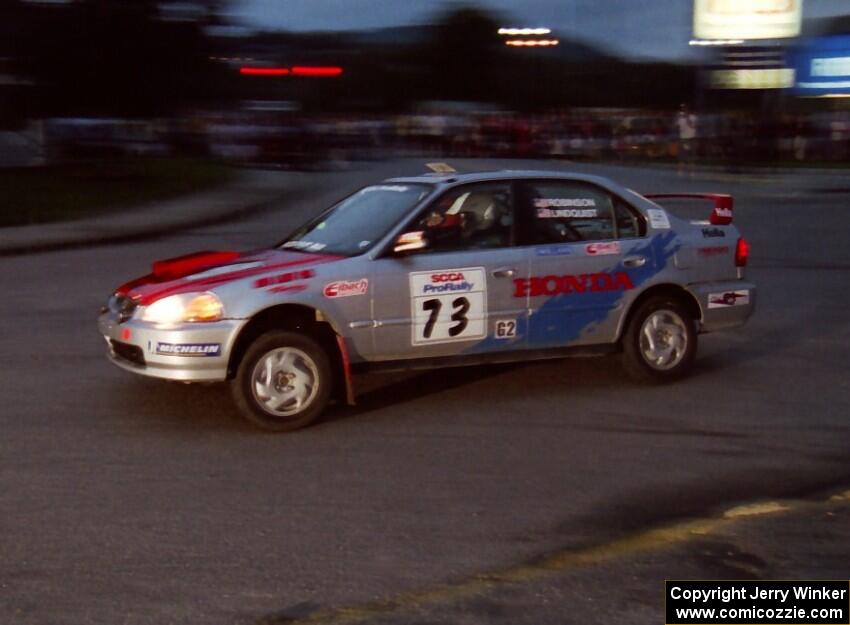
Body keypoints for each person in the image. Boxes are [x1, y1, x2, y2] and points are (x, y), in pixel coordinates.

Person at [676, 104, 698, 176]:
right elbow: (677, 126)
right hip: (683, 138)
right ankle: (680, 171)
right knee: (682, 155)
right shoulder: (680, 118)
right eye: (683, 109)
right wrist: (678, 118)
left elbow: (692, 125)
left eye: (685, 109)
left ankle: (692, 172)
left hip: (691, 138)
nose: (684, 110)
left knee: (691, 156)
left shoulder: (693, 117)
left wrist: (687, 117)